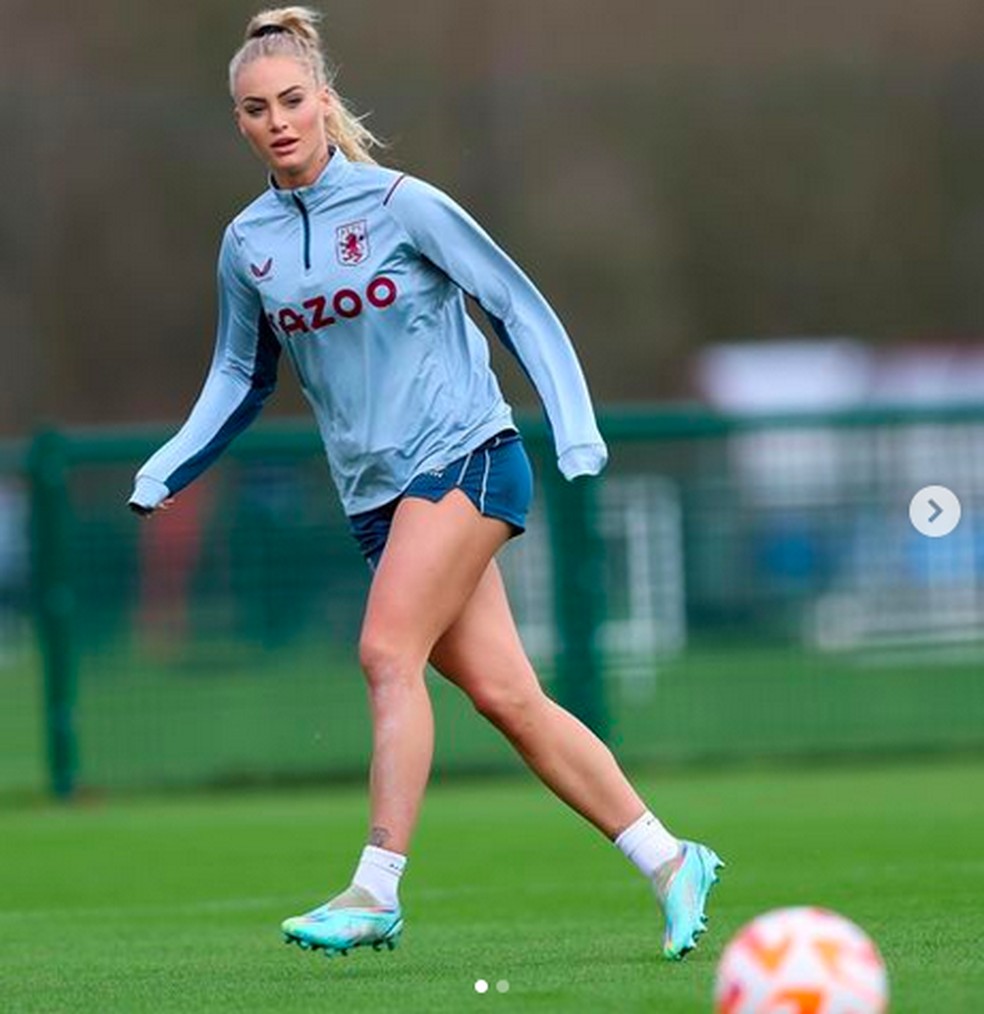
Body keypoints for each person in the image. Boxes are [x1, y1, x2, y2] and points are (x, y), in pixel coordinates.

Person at [128, 5, 722, 962]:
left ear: (323, 100)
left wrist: (574, 429)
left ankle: (376, 887)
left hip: (467, 456)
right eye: (254, 108)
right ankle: (668, 857)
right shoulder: (248, 245)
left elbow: (515, 306)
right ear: (237, 122)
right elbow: (240, 378)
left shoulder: (403, 203)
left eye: (291, 99)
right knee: (508, 698)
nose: (277, 120)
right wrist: (167, 467)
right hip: (376, 501)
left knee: (383, 653)